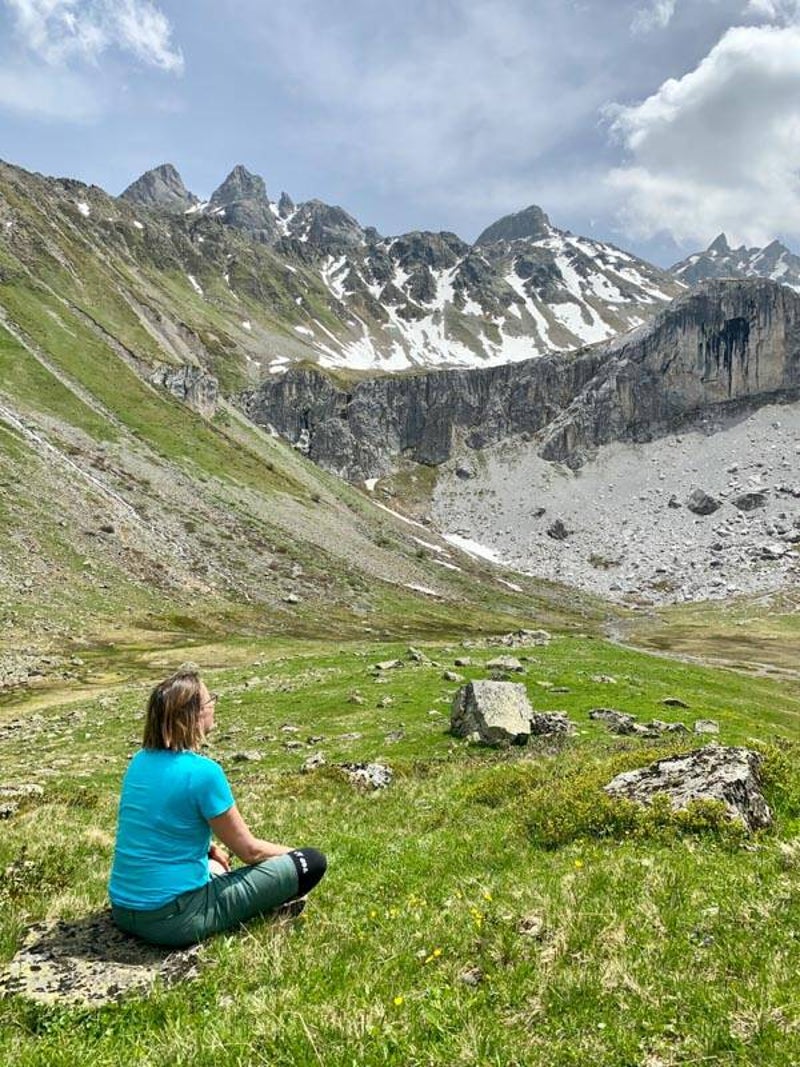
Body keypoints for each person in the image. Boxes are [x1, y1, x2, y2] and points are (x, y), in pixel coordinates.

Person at [108, 668, 326, 946]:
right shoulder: (204, 772)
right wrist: (295, 854)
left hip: (124, 909)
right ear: (194, 714)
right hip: (175, 919)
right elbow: (250, 851)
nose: (214, 708)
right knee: (312, 862)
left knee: (214, 863)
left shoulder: (139, 762)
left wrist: (209, 848)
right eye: (210, 702)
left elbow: (160, 825)